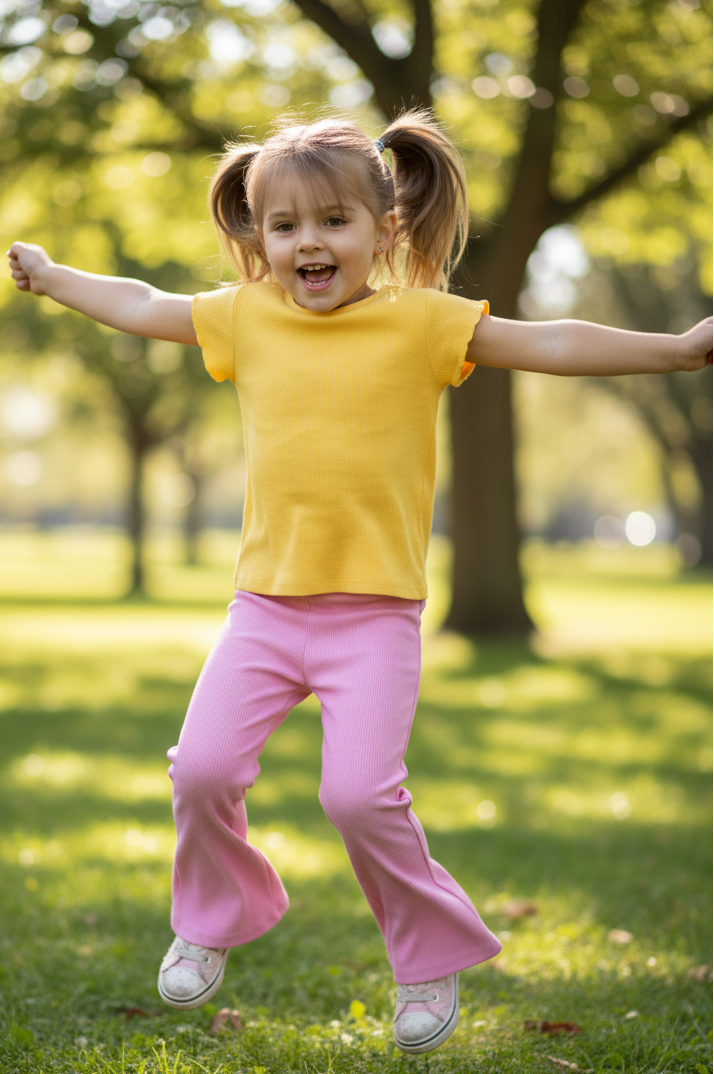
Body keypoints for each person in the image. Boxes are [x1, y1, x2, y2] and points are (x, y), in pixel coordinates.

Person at [7, 109, 712, 1057]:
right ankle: (214, 919)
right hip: (262, 609)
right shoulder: (244, 316)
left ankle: (426, 959)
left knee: (359, 797)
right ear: (257, 240)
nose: (308, 243)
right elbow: (140, 304)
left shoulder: (423, 323)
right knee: (201, 770)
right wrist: (54, 281)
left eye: (333, 221)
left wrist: (673, 350)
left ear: (386, 230)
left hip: (373, 617)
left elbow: (550, 341)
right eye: (285, 226)